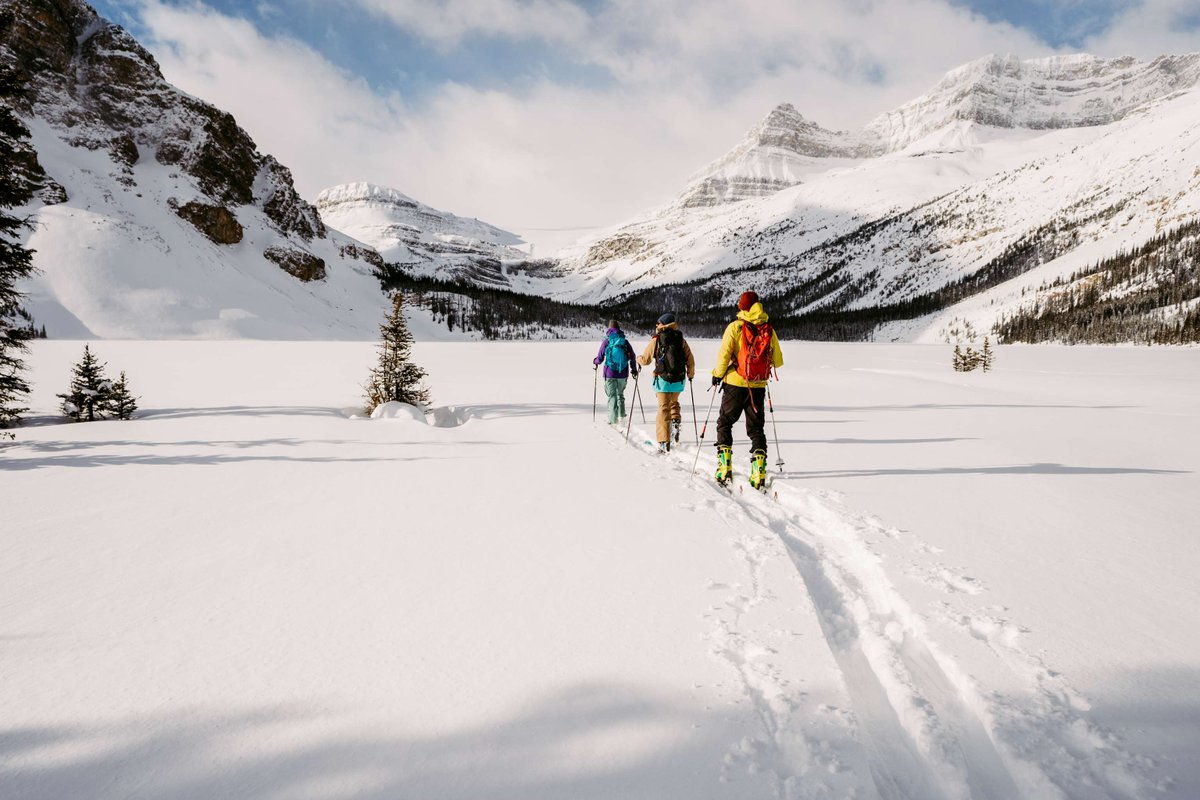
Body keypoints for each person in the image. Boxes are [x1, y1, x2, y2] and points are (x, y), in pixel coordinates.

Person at [711, 291, 783, 488]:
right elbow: (778, 360)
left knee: (725, 422)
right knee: (756, 428)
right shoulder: (768, 328)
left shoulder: (735, 327)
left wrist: (717, 374)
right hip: (758, 386)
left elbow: (723, 356)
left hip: (734, 384)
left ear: (742, 307)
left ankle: (724, 467)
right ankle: (758, 471)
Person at [637, 313, 695, 453]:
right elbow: (690, 359)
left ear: (662, 324)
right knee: (674, 403)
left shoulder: (656, 340)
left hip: (663, 380)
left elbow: (646, 360)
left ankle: (664, 441)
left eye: (658, 323)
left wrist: (638, 358)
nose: (656, 325)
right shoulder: (681, 339)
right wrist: (690, 375)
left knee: (663, 408)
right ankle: (675, 425)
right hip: (678, 381)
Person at [593, 319, 638, 424]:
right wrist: (634, 369)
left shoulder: (607, 341)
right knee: (620, 394)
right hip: (623, 373)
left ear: (609, 329)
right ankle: (622, 416)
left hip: (610, 373)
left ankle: (613, 419)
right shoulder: (625, 341)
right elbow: (633, 356)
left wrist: (595, 361)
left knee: (612, 395)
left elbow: (600, 359)